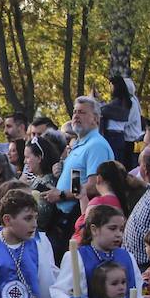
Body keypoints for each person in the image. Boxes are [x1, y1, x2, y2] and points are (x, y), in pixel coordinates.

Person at [46, 96, 116, 237]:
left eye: (82, 112)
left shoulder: (96, 145)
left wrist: (61, 194)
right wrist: (61, 170)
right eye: (75, 112)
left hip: (79, 218)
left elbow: (94, 185)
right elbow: (77, 178)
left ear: (96, 119)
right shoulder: (80, 144)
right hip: (65, 217)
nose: (76, 116)